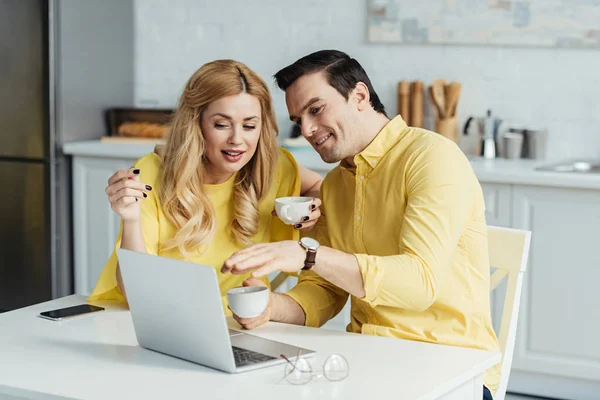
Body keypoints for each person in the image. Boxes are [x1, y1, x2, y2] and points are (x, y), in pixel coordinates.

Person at [221, 50, 500, 400]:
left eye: (316, 109)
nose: (305, 129)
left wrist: (309, 254)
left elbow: (419, 282)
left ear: (359, 97)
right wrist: (271, 308)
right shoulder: (337, 185)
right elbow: (324, 289)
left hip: (453, 371)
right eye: (298, 118)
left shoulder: (431, 157)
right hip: (370, 364)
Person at [88, 59, 324, 315]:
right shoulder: (151, 173)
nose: (237, 140)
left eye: (249, 126)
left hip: (238, 321)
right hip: (156, 317)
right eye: (221, 124)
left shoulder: (273, 166)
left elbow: (319, 185)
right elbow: (136, 294)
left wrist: (310, 208)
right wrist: (130, 219)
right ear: (196, 124)